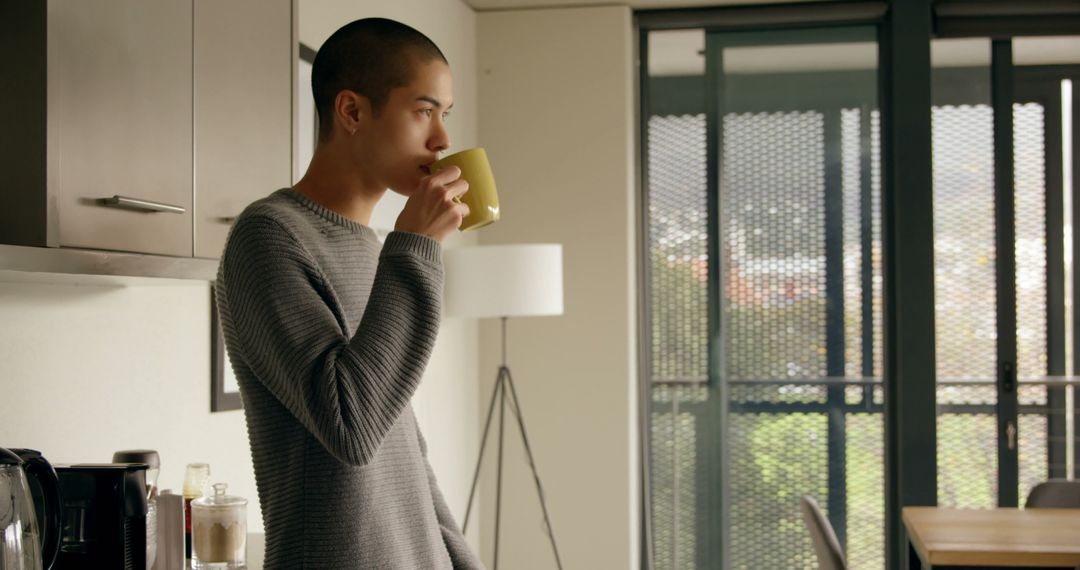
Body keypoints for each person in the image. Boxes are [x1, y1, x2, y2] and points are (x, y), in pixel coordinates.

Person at [215, 17, 484, 569]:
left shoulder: (377, 248)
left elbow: (402, 447)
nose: (443, 139)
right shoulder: (268, 236)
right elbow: (353, 427)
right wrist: (414, 244)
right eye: (424, 111)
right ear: (353, 112)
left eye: (445, 115)